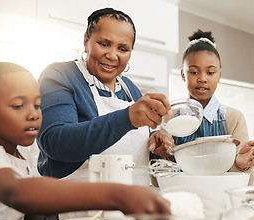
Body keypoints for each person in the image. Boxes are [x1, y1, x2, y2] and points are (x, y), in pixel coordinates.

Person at [0, 62, 171, 220]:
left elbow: (31, 212)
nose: (34, 114)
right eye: (18, 106)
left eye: (37, 105)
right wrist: (119, 195)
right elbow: (18, 193)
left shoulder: (20, 154)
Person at [37, 8, 172, 185]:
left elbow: (133, 151)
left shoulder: (130, 89)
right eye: (104, 44)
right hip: (75, 206)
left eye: (123, 49)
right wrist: (127, 118)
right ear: (86, 41)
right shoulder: (60, 75)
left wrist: (157, 143)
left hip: (132, 203)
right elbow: (55, 142)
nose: (112, 55)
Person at [165, 29, 254, 186]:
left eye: (210, 72)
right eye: (194, 72)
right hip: (181, 200)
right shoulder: (169, 118)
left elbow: (248, 183)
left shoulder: (233, 118)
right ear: (183, 74)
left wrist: (241, 164)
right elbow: (155, 180)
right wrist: (166, 156)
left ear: (219, 76)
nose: (202, 78)